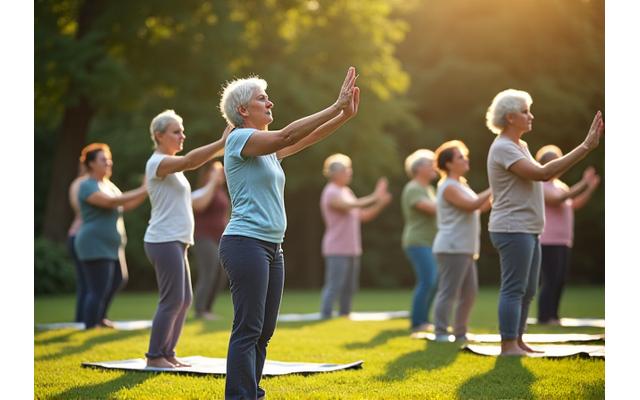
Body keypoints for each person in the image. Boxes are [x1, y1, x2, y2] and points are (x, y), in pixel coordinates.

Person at [218, 66, 360, 399]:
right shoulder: (239, 139)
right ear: (242, 110)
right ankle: (240, 396)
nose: (270, 103)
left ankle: (252, 391)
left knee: (264, 331)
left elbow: (304, 139)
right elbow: (287, 136)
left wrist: (343, 117)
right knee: (248, 328)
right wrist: (335, 105)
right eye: (262, 98)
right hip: (245, 243)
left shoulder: (266, 150)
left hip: (271, 247)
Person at [485, 89, 603, 355]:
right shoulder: (504, 147)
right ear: (511, 117)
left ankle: (519, 340)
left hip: (528, 228)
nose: (531, 116)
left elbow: (549, 174)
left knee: (527, 290)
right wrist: (585, 147)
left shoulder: (521, 146)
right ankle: (507, 345)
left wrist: (582, 153)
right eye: (526, 111)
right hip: (512, 228)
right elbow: (543, 173)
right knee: (514, 288)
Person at [144, 109, 231, 369]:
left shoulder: (171, 165)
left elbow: (193, 160)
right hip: (163, 240)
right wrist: (221, 142)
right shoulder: (157, 162)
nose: (183, 135)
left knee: (184, 300)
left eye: (182, 130)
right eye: (176, 131)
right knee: (171, 299)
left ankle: (167, 353)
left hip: (176, 240)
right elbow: (192, 161)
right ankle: (154, 357)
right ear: (159, 136)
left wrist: (226, 145)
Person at [74, 143, 147, 329]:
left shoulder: (108, 185)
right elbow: (111, 202)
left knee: (117, 280)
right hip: (93, 243)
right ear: (91, 164)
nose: (108, 162)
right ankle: (91, 324)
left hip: (112, 246)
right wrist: (145, 188)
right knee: (97, 288)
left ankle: (100, 318)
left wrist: (146, 190)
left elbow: (125, 205)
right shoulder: (87, 185)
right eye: (103, 159)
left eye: (109, 159)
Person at [431, 140, 491, 342]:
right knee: (449, 292)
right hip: (452, 246)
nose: (465, 160)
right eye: (460, 157)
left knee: (469, 293)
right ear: (448, 164)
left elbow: (479, 207)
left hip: (465, 247)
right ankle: (440, 331)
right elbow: (472, 205)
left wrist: (497, 195)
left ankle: (460, 332)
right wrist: (496, 186)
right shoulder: (448, 186)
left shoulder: (461, 184)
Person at [319, 153, 391, 319]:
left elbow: (363, 216)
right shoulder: (331, 192)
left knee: (350, 287)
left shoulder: (347, 191)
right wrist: (374, 196)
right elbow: (348, 206)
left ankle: (345, 316)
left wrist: (379, 203)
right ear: (335, 173)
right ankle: (325, 316)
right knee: (334, 286)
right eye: (347, 170)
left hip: (352, 248)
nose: (349, 173)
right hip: (336, 248)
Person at [535, 145, 601, 325]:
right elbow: (557, 200)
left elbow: (574, 204)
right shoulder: (540, 185)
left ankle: (553, 316)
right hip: (548, 240)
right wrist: (583, 183)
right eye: (556, 161)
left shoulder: (560, 185)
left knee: (560, 280)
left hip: (563, 240)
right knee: (550, 279)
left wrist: (590, 188)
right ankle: (544, 317)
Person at [401, 149, 439, 333]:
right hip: (417, 241)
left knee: (434, 281)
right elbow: (430, 208)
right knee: (428, 280)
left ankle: (424, 320)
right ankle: (417, 322)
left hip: (430, 242)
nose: (435, 166)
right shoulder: (413, 188)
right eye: (430, 163)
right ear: (418, 168)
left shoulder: (429, 189)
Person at [191, 160, 230, 320]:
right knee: (209, 270)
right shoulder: (201, 192)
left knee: (222, 273)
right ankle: (200, 310)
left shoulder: (221, 193)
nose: (221, 174)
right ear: (208, 174)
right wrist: (212, 183)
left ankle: (207, 309)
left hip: (219, 238)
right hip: (202, 237)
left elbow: (224, 216)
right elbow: (200, 205)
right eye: (217, 171)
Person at [67, 162, 88, 323]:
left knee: (90, 284)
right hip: (79, 235)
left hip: (85, 236)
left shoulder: (95, 184)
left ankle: (91, 318)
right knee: (85, 282)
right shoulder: (80, 184)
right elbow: (81, 208)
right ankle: (82, 320)